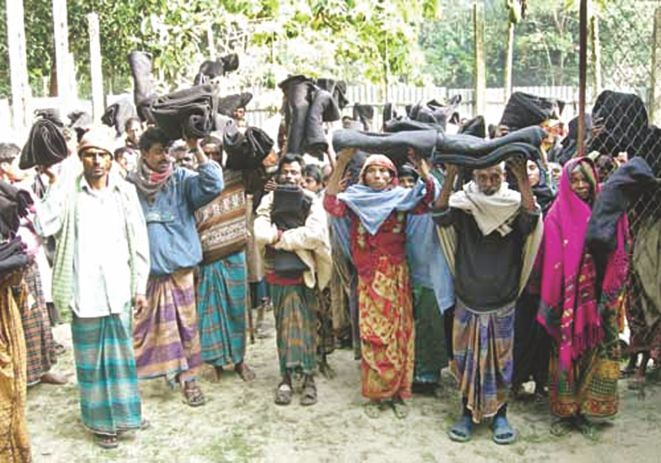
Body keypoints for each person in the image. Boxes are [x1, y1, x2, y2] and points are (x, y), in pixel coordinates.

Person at [35, 127, 150, 448]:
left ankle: (127, 415)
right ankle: (101, 425)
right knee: (92, 364)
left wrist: (140, 287)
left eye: (103, 155)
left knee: (122, 359)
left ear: (111, 159)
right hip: (84, 293)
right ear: (81, 158)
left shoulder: (125, 192)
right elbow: (44, 225)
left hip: (119, 290)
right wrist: (54, 183)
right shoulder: (68, 192)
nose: (97, 161)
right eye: (90, 155)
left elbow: (139, 241)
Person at [433, 160, 542, 444]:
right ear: (474, 176)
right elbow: (440, 214)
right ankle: (467, 413)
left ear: (504, 176)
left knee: (501, 362)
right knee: (466, 360)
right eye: (483, 177)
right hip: (468, 295)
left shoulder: (514, 204)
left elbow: (531, 220)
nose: (489, 182)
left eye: (495, 176)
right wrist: (451, 174)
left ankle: (500, 414)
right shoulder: (464, 204)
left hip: (502, 297)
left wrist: (523, 178)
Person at [324, 149, 436, 419]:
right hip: (369, 276)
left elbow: (428, 199)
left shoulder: (402, 199)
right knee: (373, 334)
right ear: (363, 176)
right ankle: (377, 394)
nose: (378, 175)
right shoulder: (354, 199)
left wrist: (423, 171)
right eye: (372, 170)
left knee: (399, 333)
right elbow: (330, 203)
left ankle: (398, 392)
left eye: (384, 171)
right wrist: (340, 164)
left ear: (392, 176)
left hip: (396, 275)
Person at [128, 127, 223, 406]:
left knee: (186, 328)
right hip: (146, 275)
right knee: (144, 331)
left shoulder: (182, 179)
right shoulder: (129, 186)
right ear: (144, 154)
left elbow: (213, 185)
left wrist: (196, 147)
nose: (165, 157)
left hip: (181, 271)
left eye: (168, 151)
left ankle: (188, 379)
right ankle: (140, 378)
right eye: (159, 152)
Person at [537, 157, 629, 438]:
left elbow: (620, 245)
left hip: (600, 296)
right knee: (565, 350)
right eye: (574, 180)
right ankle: (566, 411)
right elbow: (550, 257)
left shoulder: (606, 209)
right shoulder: (556, 214)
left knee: (597, 350)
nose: (580, 186)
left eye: (584, 180)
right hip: (568, 299)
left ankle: (590, 409)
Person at [254, 153, 331, 406]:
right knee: (283, 328)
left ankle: (308, 379)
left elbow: (315, 235)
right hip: (277, 274)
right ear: (279, 175)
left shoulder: (311, 200)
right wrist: (287, 238)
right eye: (285, 172)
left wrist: (280, 238)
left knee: (307, 327)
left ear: (302, 175)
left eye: (294, 172)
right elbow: (259, 232)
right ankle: (285, 378)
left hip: (304, 274)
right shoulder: (269, 199)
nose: (289, 176)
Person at [1, 142, 66, 387]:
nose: (26, 168)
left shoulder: (20, 190)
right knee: (18, 321)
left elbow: (43, 219)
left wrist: (53, 181)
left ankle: (41, 369)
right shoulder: (6, 196)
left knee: (36, 317)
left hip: (29, 262)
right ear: (4, 166)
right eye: (19, 163)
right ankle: (23, 375)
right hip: (10, 268)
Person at [195, 135, 255, 383]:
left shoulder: (237, 176)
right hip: (207, 256)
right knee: (210, 311)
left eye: (216, 153)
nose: (211, 158)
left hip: (235, 253)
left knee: (237, 309)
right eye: (206, 153)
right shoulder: (194, 181)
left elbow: (264, 170)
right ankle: (215, 363)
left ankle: (239, 360)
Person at [398, 163, 454, 394]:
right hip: (404, 275)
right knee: (409, 325)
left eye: (411, 182)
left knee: (430, 326)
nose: (407, 186)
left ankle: (428, 376)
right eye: (402, 182)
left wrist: (423, 172)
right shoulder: (397, 206)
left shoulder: (428, 203)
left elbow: (433, 190)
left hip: (430, 274)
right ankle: (408, 372)